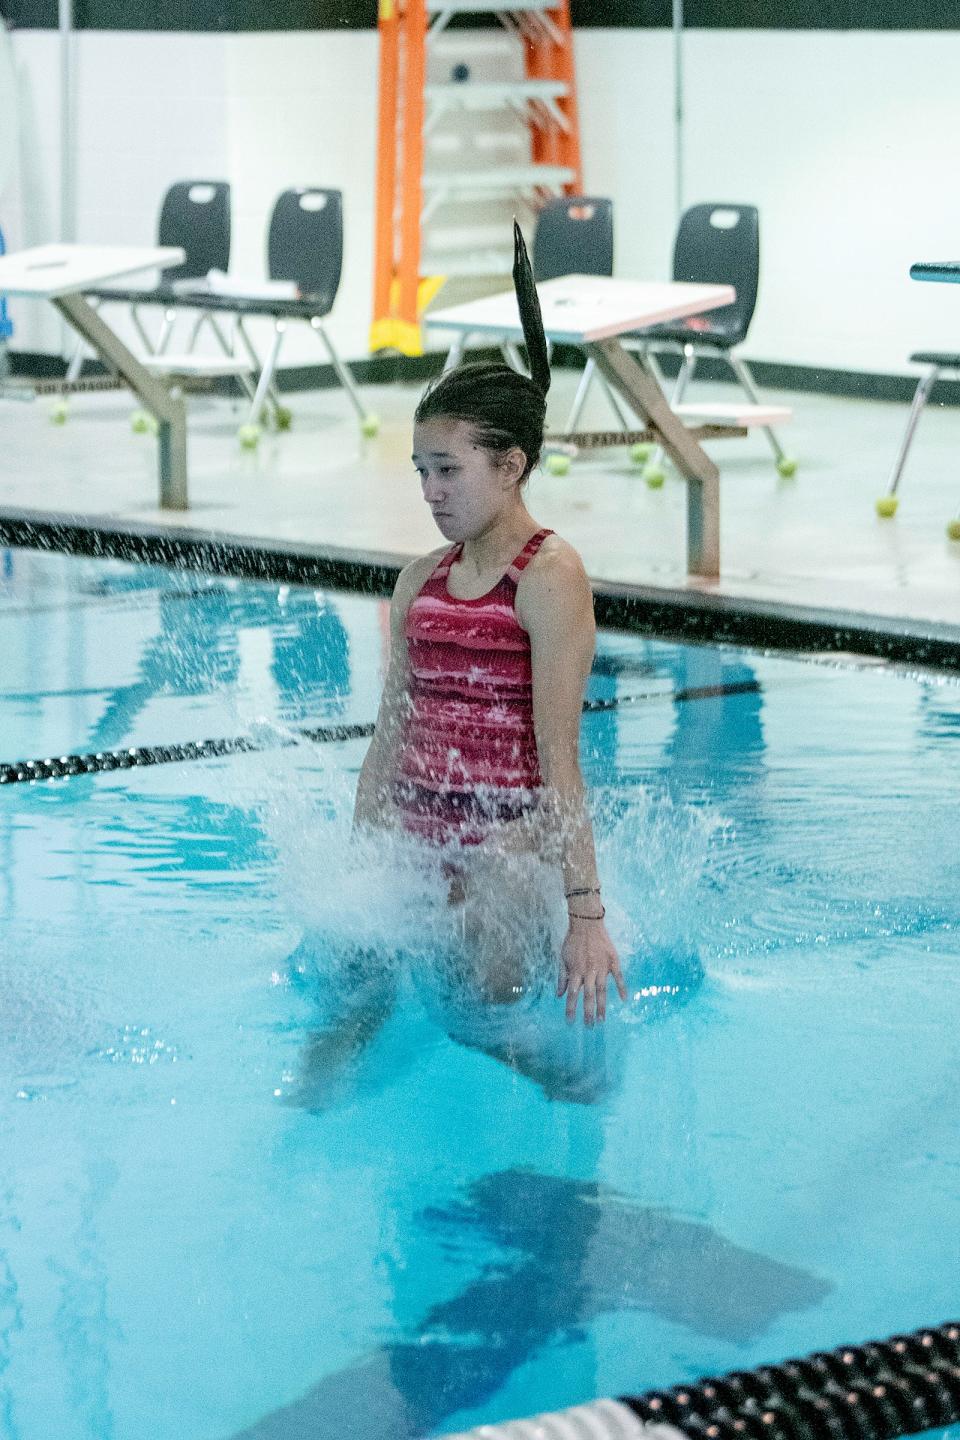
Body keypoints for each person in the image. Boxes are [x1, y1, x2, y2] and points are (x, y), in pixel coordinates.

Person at [353, 222, 625, 1028]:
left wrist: (585, 916)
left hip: (509, 861)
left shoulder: (547, 577)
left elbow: (558, 757)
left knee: (484, 1020)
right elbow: (386, 743)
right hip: (422, 846)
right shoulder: (419, 583)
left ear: (511, 467)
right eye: (422, 473)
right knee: (357, 1014)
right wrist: (360, 877)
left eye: (449, 471)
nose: (431, 493)